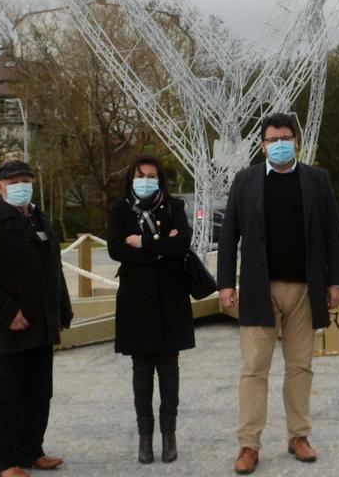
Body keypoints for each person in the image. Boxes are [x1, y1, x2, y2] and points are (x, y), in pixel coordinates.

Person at [217, 112, 339, 475]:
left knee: (301, 366)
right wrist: (225, 283)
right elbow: (229, 236)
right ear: (262, 145)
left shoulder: (317, 180)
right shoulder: (245, 181)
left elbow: (332, 233)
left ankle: (298, 436)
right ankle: (248, 444)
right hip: (259, 290)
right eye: (272, 140)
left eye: (285, 138)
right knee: (255, 369)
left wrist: (336, 282)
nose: (279, 145)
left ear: (296, 141)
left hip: (306, 290)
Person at [0, 159, 73, 477]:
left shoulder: (40, 219)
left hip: (42, 322)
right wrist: (9, 311)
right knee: (8, 395)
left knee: (40, 391)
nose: (20, 186)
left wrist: (63, 309)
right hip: (11, 325)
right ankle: (4, 461)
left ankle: (32, 450)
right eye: (13, 182)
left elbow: (53, 268)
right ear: (0, 188)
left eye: (25, 180)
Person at [107, 153, 194, 465]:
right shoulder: (120, 209)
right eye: (140, 174)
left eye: (152, 175)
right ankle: (145, 437)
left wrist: (142, 243)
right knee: (142, 370)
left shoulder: (174, 206)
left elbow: (182, 243)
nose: (146, 179)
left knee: (169, 369)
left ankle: (169, 435)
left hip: (171, 296)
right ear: (132, 176)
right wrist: (160, 246)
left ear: (160, 178)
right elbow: (116, 249)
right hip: (136, 297)